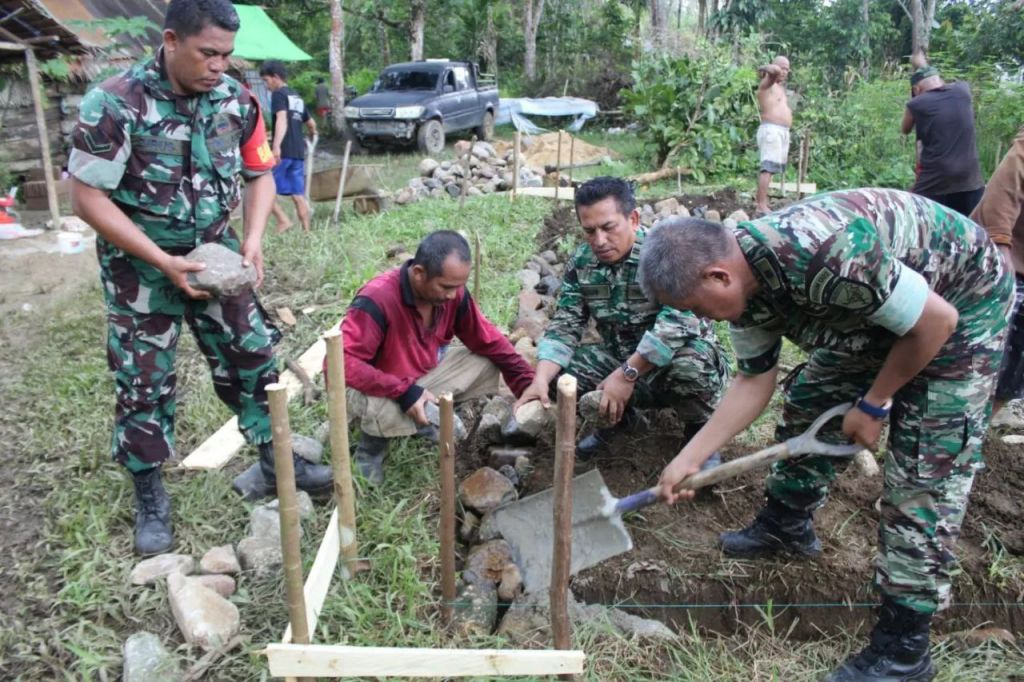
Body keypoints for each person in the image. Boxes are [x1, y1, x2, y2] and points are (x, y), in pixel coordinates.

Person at [638, 189, 1011, 682]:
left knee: (925, 470)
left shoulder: (827, 253)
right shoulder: (744, 288)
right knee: (811, 400)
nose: (700, 320)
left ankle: (904, 650)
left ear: (718, 276)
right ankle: (785, 526)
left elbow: (935, 321)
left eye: (696, 308)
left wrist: (874, 402)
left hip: (962, 302)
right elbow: (753, 381)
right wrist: (692, 456)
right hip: (876, 309)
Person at [68, 0, 332, 556]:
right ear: (170, 40)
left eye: (227, 54)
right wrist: (162, 262)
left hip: (219, 262)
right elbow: (87, 197)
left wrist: (253, 240)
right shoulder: (116, 101)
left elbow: (259, 173)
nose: (219, 65)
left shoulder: (237, 99)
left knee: (254, 359)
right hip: (142, 271)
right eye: (208, 53)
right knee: (143, 382)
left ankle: (273, 463)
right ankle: (150, 497)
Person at [514, 177, 729, 464]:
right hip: (621, 359)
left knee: (692, 366)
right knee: (562, 376)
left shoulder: (665, 254)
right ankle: (621, 420)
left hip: (675, 360)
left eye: (608, 227)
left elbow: (678, 323)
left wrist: (627, 374)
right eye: (589, 231)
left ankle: (701, 434)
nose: (599, 241)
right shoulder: (583, 263)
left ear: (634, 219)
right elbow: (566, 323)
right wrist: (539, 379)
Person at [338, 230, 535, 486]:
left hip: (421, 374)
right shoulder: (377, 298)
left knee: (484, 360)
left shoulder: (453, 295)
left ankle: (419, 419)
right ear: (419, 273)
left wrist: (527, 382)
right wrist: (403, 391)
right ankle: (371, 448)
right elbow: (342, 365)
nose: (454, 295)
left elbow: (487, 339)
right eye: (446, 287)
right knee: (378, 404)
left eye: (459, 286)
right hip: (379, 386)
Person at [971, 126, 1024, 423]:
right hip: (998, 256)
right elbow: (1002, 196)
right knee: (968, 348)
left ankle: (977, 430)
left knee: (1014, 366)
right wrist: (1001, 250)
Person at [901, 55, 984, 216]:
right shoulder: (963, 91)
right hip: (971, 180)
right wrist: (923, 65)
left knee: (915, 219)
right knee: (971, 230)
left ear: (917, 90)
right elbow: (936, 83)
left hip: (935, 182)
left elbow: (905, 129)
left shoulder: (916, 104)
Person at [259, 60, 316, 233]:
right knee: (297, 194)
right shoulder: (296, 97)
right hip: (298, 152)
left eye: (266, 81)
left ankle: (283, 220)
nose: (266, 86)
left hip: (283, 151)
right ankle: (307, 231)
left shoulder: (279, 95)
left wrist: (276, 146)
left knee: (263, 189)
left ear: (275, 77)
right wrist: (312, 139)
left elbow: (282, 119)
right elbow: (312, 124)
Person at [755, 55, 792, 216]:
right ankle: (760, 205)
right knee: (767, 168)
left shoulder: (780, 89)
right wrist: (768, 68)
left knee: (773, 169)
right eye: (781, 67)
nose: (784, 71)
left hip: (782, 131)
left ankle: (764, 202)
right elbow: (773, 72)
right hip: (771, 130)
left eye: (787, 69)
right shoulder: (767, 84)